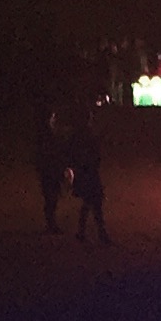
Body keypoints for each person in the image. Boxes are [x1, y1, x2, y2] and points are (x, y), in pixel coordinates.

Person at [68, 106, 112, 244]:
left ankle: (82, 232)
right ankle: (100, 234)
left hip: (84, 172)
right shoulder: (84, 135)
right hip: (88, 172)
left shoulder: (78, 135)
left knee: (88, 202)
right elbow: (90, 152)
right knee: (95, 202)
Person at [33, 104, 66, 233]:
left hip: (50, 168)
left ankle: (51, 223)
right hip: (49, 169)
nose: (54, 118)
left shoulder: (48, 132)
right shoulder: (47, 134)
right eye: (52, 116)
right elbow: (47, 152)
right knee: (51, 197)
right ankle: (51, 224)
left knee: (52, 196)